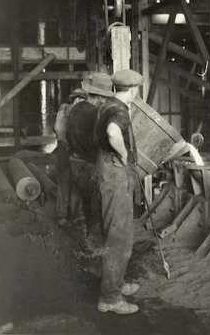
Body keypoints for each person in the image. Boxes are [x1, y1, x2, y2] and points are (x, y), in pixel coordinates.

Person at [94, 69, 143, 315]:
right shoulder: (119, 111)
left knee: (115, 232)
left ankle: (116, 284)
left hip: (105, 172)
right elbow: (113, 132)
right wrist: (124, 155)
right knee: (120, 238)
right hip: (115, 175)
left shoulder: (105, 105)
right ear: (133, 90)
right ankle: (110, 298)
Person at [66, 72, 113, 241]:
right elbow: (99, 143)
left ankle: (78, 239)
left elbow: (66, 134)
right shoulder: (95, 114)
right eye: (106, 98)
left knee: (81, 206)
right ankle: (93, 245)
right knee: (95, 210)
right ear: (100, 97)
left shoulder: (75, 108)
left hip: (74, 162)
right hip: (90, 166)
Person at [54, 87, 88, 226]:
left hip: (70, 148)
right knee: (66, 181)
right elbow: (58, 128)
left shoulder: (67, 110)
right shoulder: (67, 110)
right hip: (68, 149)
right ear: (78, 99)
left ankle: (74, 214)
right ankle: (64, 215)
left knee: (73, 181)